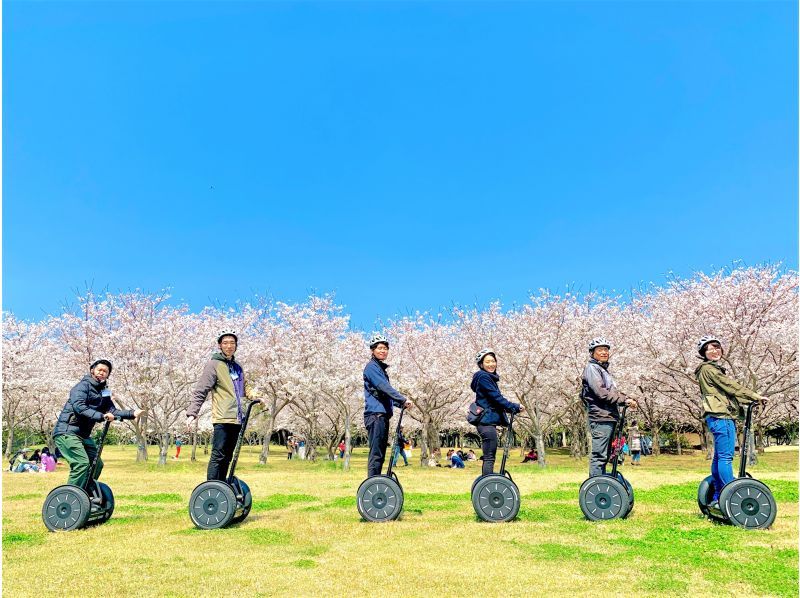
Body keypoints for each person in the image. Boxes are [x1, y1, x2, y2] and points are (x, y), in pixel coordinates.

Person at [695, 335, 768, 508]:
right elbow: (730, 386)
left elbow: (725, 392)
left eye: (717, 347)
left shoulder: (705, 370)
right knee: (726, 458)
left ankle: (720, 495)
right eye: (710, 348)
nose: (715, 351)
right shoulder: (710, 370)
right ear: (703, 353)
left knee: (719, 458)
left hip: (714, 416)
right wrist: (754, 396)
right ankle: (732, 496)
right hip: (721, 416)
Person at [186, 330, 263, 481]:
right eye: (225, 343)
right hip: (222, 417)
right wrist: (192, 413)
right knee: (218, 455)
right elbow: (201, 389)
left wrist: (256, 396)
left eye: (232, 343)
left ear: (236, 346)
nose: (229, 346)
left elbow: (244, 388)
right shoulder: (214, 365)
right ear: (220, 345)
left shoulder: (237, 367)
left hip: (236, 418)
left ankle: (222, 488)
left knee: (228, 456)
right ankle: (212, 488)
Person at [53, 360, 143, 488]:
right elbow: (80, 407)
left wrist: (132, 413)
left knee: (97, 464)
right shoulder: (82, 386)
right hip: (67, 432)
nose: (102, 372)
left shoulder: (104, 391)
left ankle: (85, 493)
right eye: (99, 369)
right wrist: (101, 416)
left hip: (83, 435)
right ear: (92, 370)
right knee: (81, 464)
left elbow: (111, 410)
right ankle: (72, 496)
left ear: (107, 375)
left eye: (105, 371)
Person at [581, 338, 637, 477]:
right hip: (600, 417)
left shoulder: (602, 370)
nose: (604, 352)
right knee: (599, 455)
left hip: (608, 416)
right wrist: (624, 400)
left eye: (606, 350)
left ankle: (601, 482)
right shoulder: (592, 368)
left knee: (605, 455)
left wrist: (626, 399)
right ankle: (595, 486)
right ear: (592, 353)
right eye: (600, 350)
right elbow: (601, 393)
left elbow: (611, 393)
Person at [363, 334, 413, 477]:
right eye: (379, 348)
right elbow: (383, 386)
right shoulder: (372, 367)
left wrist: (399, 403)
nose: (383, 351)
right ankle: (372, 484)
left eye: (385, 348)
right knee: (376, 453)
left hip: (382, 415)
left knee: (381, 453)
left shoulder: (379, 368)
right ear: (373, 350)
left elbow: (382, 393)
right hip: (375, 415)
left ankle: (377, 481)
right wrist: (402, 399)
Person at [470, 349, 522, 476]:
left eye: (493, 361)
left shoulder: (486, 378)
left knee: (489, 456)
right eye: (487, 362)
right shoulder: (484, 377)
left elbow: (494, 399)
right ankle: (487, 486)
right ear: (481, 364)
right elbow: (496, 398)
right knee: (489, 457)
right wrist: (514, 407)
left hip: (487, 422)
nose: (491, 364)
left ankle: (486, 484)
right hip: (486, 423)